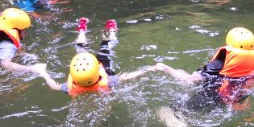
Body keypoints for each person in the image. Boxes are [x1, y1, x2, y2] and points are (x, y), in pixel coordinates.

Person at [31, 17, 161, 96]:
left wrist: (43, 73)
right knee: (99, 46)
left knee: (100, 46)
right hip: (99, 64)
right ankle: (107, 30)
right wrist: (151, 69)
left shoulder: (70, 87)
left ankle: (84, 29)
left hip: (87, 64)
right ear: (97, 72)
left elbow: (53, 86)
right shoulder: (109, 81)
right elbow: (129, 76)